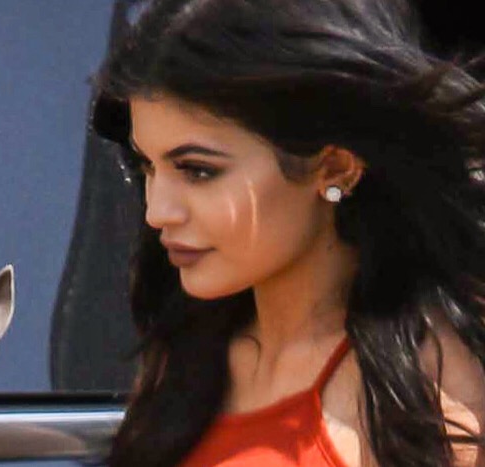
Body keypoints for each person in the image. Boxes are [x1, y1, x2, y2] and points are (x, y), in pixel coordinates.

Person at [77, 0, 485, 465]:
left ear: (335, 168)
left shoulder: (419, 392)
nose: (157, 212)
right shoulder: (184, 360)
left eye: (198, 171)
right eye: (148, 166)